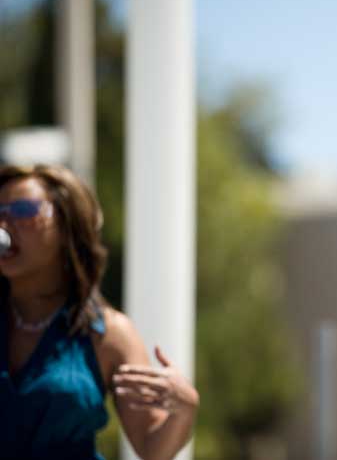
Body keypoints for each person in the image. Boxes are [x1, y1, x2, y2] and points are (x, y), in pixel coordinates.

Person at [0, 165, 199, 460]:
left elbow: (152, 448)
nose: (3, 224)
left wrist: (184, 410)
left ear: (68, 227)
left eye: (22, 209)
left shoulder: (108, 333)